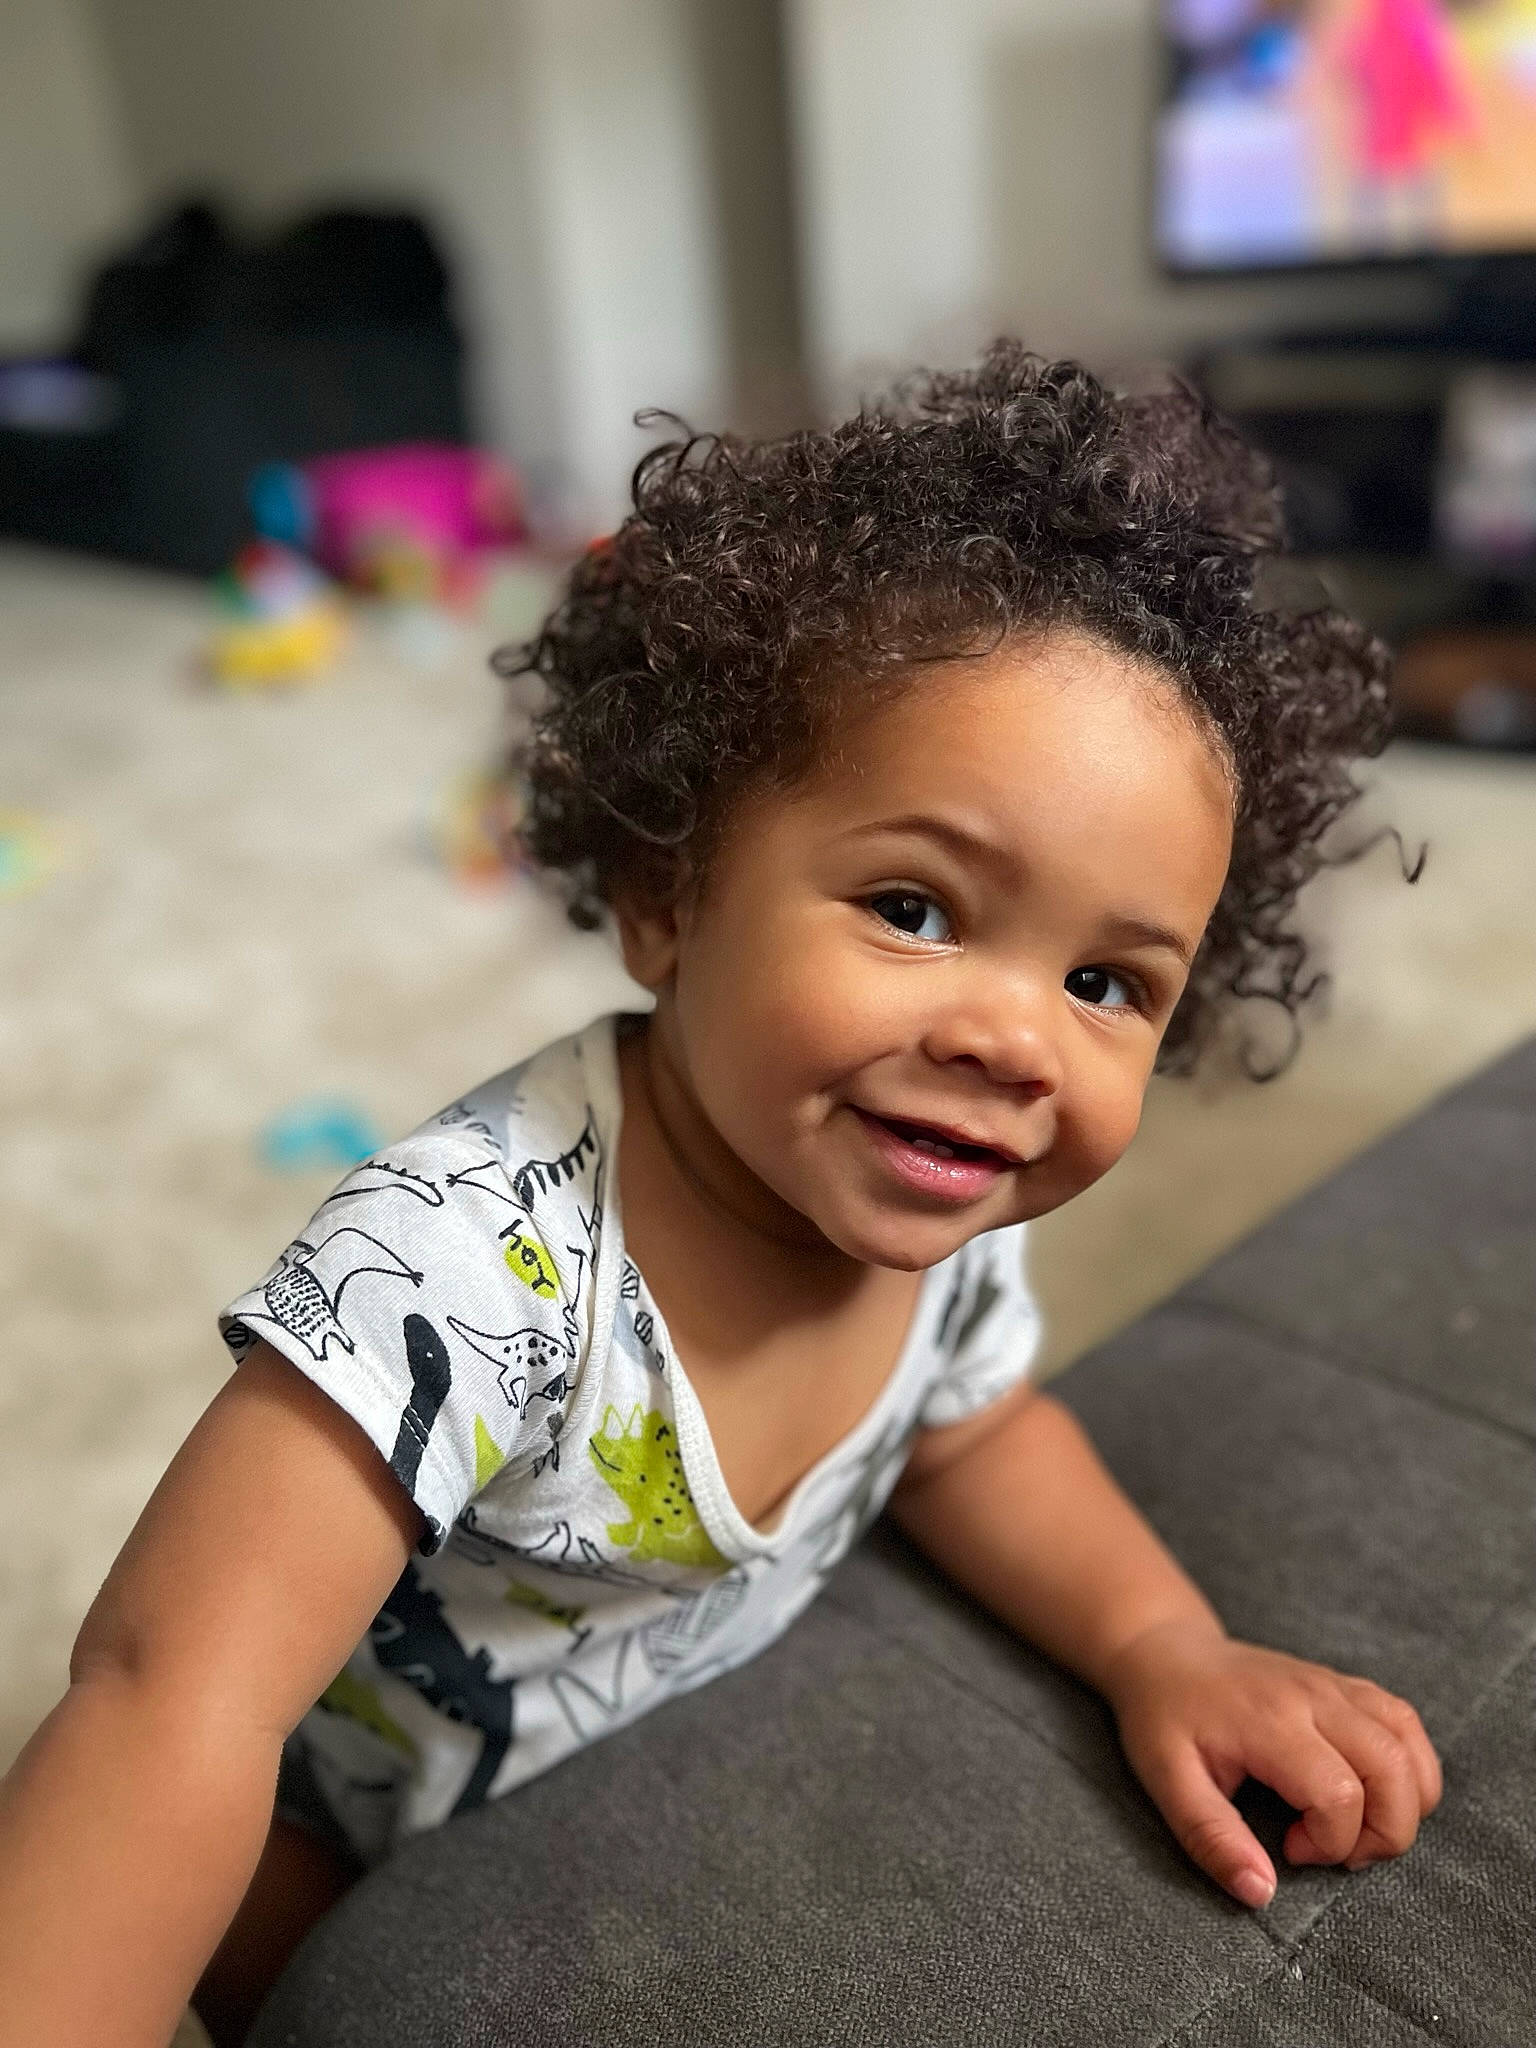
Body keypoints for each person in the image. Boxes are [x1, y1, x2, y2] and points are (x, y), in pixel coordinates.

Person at [0, 345, 1441, 2048]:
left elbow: (973, 1430)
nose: (1013, 1041)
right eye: (915, 907)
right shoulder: (463, 1266)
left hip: (634, 1794)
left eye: (1110, 986)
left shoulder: (945, 1214)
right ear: (666, 890)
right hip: (335, 1844)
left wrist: (1165, 1651)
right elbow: (170, 1701)